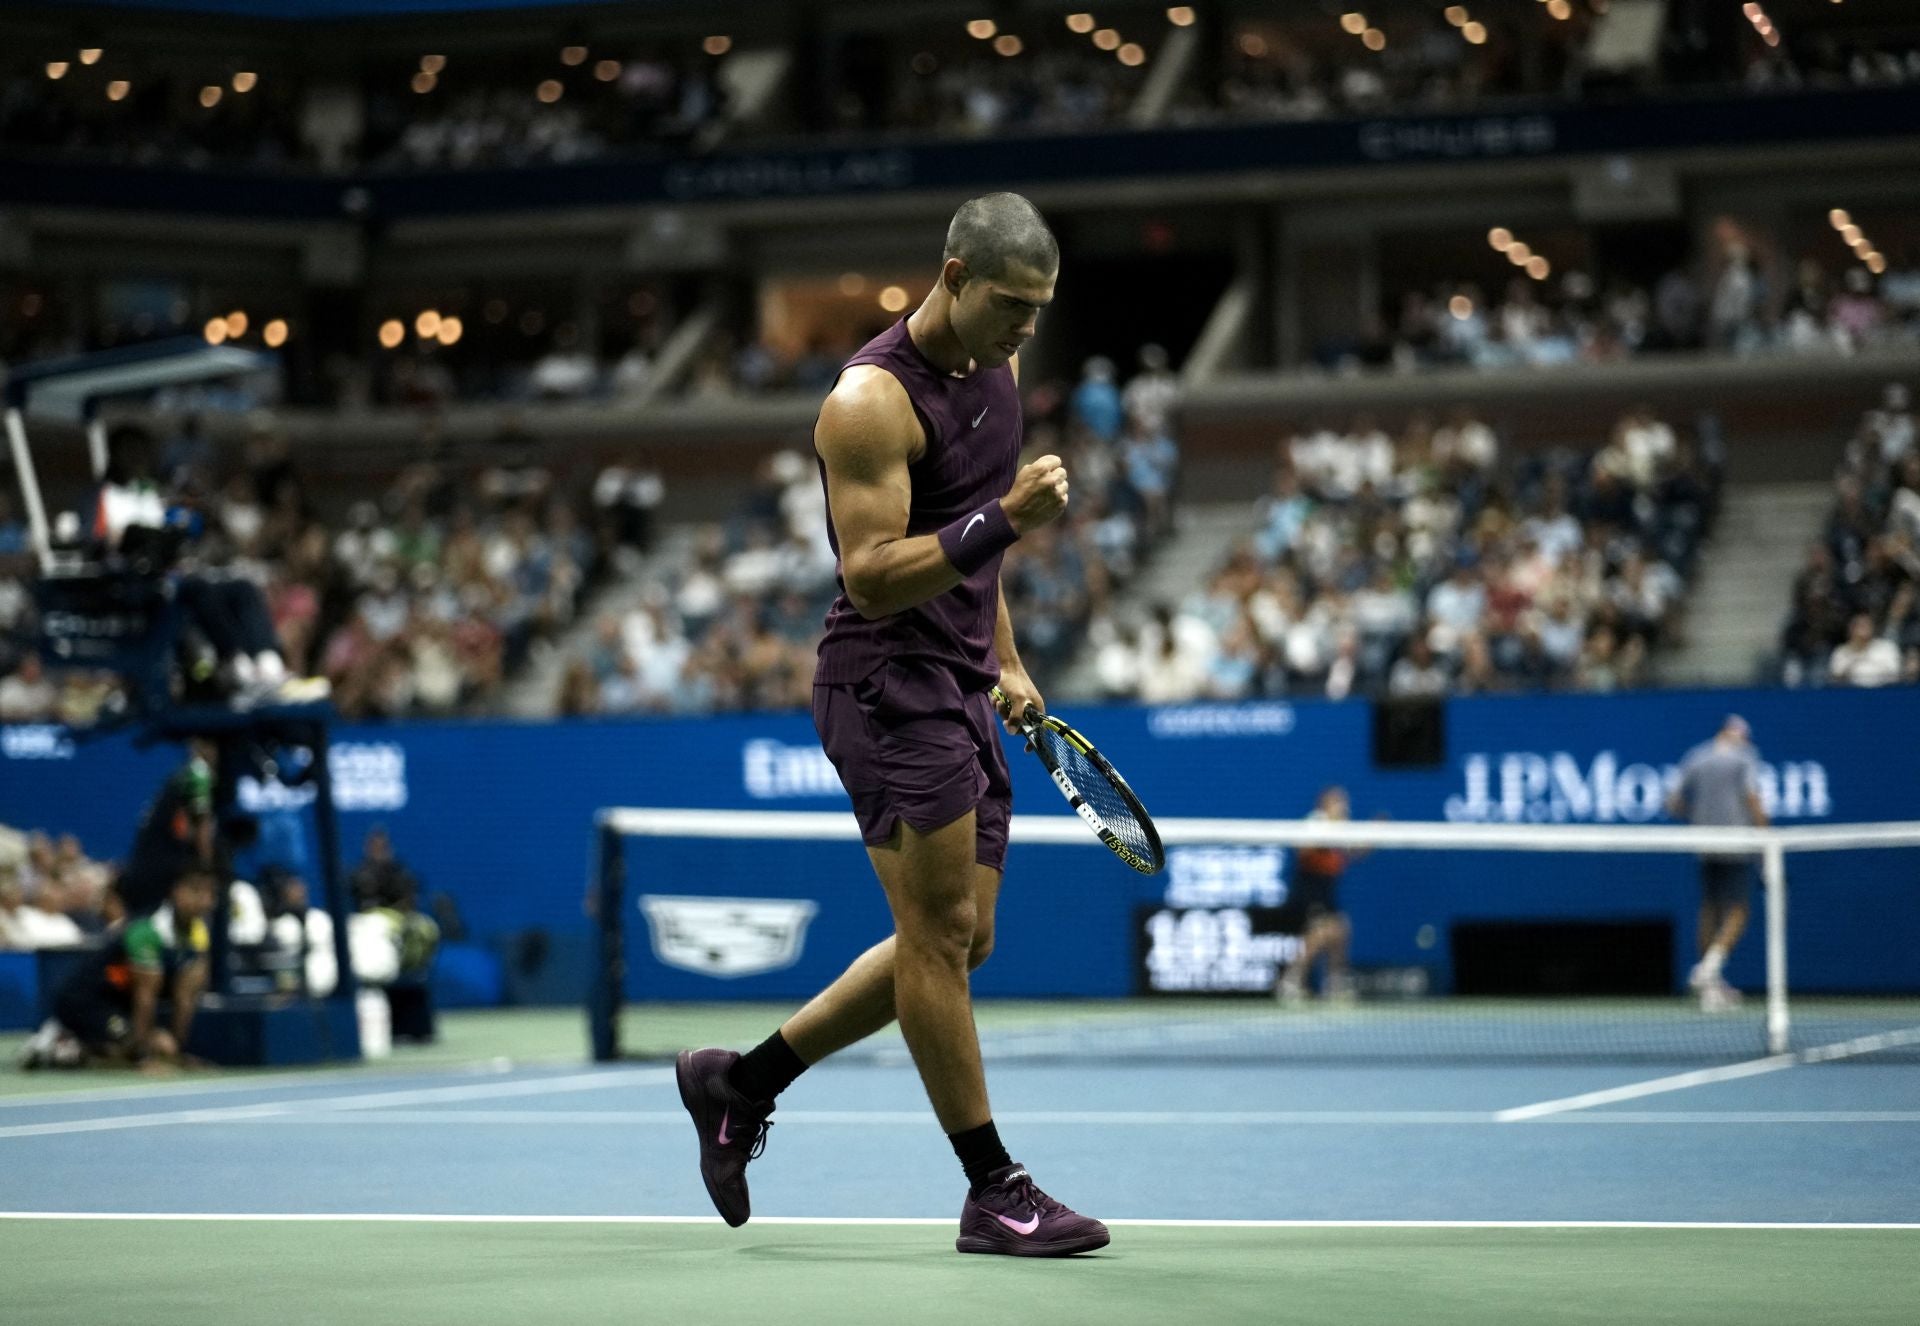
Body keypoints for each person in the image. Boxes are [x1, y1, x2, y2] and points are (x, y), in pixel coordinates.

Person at [674, 193, 1107, 1257]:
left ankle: (739, 1082)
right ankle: (993, 1189)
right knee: (937, 939)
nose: (1025, 329)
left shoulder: (997, 375)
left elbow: (971, 549)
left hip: (958, 677)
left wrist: (1003, 658)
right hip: (884, 680)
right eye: (1010, 303)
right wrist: (1005, 518)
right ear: (953, 275)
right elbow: (871, 578)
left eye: (1041, 309)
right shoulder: (867, 402)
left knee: (963, 936)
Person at [17, 867, 214, 1070]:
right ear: (177, 891)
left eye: (210, 894)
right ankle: (57, 1042)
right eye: (197, 892)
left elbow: (185, 998)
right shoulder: (147, 930)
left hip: (118, 1004)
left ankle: (78, 1045)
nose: (205, 901)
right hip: (87, 1001)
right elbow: (144, 998)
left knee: (154, 1045)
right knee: (126, 1048)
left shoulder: (198, 933)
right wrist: (143, 1058)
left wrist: (177, 1053)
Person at [1667, 715, 1769, 1012]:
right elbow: (1752, 799)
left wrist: (1698, 816)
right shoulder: (1745, 758)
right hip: (1736, 842)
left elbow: (1672, 802)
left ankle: (1710, 987)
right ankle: (1709, 970)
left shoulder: (1696, 756)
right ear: (1737, 735)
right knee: (1738, 910)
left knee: (1710, 907)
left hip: (1705, 841)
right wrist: (1766, 838)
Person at [1276, 786, 1367, 1003]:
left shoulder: (1342, 826)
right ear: (1324, 803)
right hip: (1309, 887)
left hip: (1327, 888)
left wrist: (1374, 837)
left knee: (1342, 931)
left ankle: (1334, 985)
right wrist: (1329, 833)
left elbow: (1353, 854)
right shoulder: (1314, 821)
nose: (1343, 806)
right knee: (1319, 934)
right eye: (1338, 801)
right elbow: (1303, 849)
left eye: (1344, 802)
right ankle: (1290, 982)